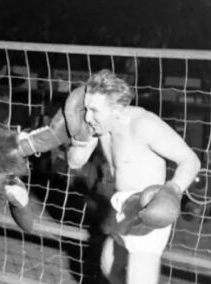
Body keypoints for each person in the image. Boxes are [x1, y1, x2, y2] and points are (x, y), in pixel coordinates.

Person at [63, 70, 201, 284]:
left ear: (116, 109)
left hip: (148, 210)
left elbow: (191, 160)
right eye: (87, 109)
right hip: (121, 207)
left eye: (94, 110)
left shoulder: (143, 124)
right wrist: (81, 139)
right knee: (109, 268)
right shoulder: (98, 125)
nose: (88, 116)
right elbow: (74, 162)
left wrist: (172, 190)